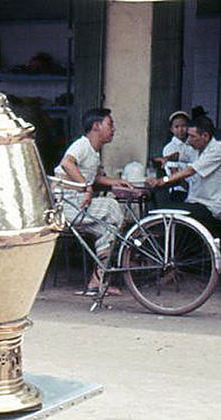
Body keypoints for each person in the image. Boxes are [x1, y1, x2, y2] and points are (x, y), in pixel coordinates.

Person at [53, 107, 134, 295]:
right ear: (96, 126)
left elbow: (96, 177)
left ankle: (97, 281)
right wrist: (85, 187)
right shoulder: (81, 145)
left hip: (79, 205)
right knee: (112, 206)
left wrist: (116, 182)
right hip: (66, 205)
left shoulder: (94, 152)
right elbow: (67, 163)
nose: (113, 129)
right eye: (110, 124)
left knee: (109, 230)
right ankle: (131, 246)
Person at [147, 115, 221, 229]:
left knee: (165, 216)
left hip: (210, 206)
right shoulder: (198, 148)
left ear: (205, 136)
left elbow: (190, 170)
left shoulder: (216, 151)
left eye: (192, 136)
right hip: (196, 201)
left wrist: (163, 181)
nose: (188, 140)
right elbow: (180, 155)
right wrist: (166, 159)